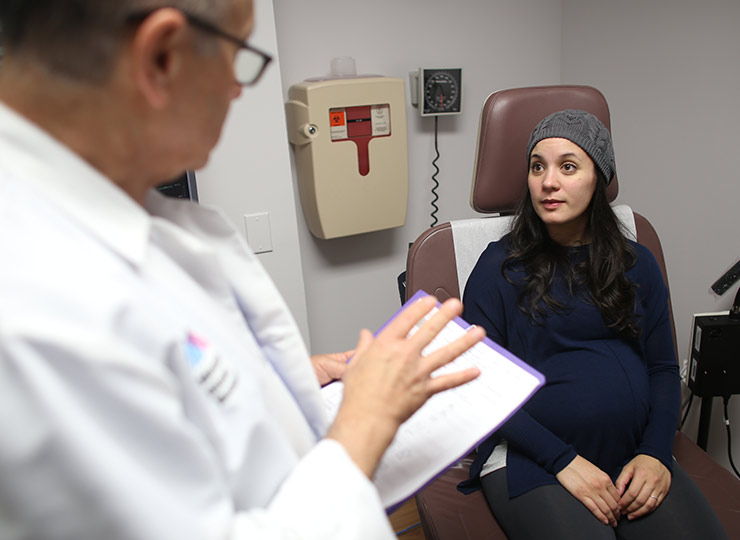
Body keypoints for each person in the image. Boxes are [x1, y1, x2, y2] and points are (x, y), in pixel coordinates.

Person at [0, 2, 486, 539]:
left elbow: (174, 388)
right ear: (162, 57)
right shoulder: (35, 308)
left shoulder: (120, 219)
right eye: (239, 58)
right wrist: (367, 418)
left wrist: (280, 375)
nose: (236, 90)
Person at [460, 109, 728, 539]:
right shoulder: (499, 268)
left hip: (633, 453)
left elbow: (661, 370)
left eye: (568, 166)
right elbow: (481, 387)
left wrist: (656, 454)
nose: (548, 182)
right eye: (537, 166)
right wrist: (563, 461)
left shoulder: (636, 263)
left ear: (597, 178)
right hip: (535, 457)